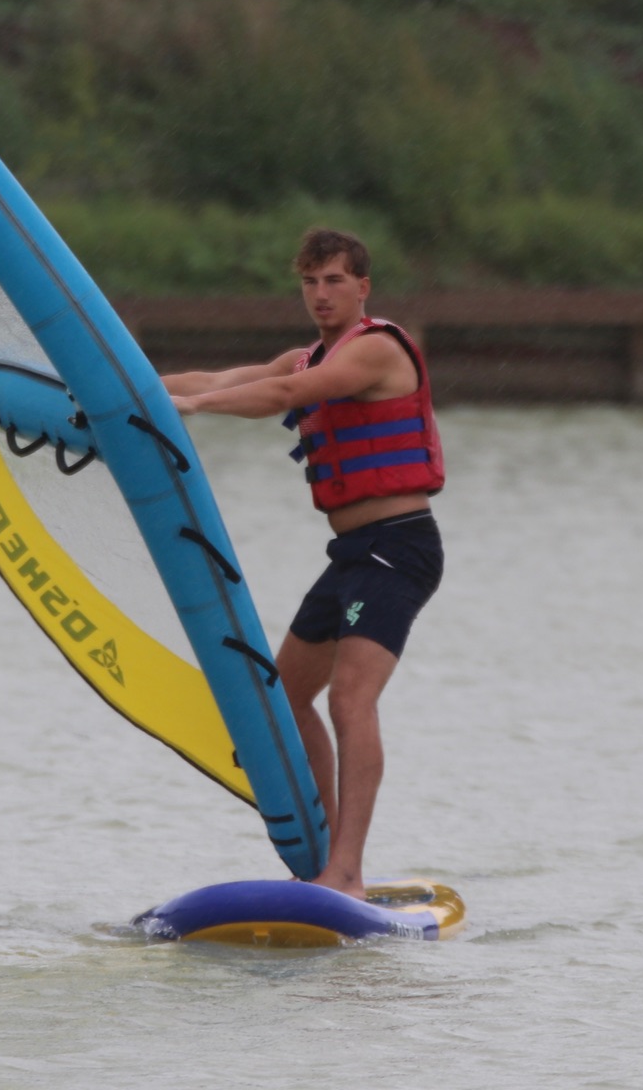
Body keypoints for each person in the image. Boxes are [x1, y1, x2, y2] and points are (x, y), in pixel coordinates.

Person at [164, 227, 444, 898]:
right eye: (309, 282)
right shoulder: (304, 354)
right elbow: (219, 377)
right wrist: (111, 383)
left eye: (334, 281)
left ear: (362, 287)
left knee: (351, 700)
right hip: (350, 554)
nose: (320, 295)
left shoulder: (375, 349)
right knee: (284, 699)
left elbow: (285, 398)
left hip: (398, 548)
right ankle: (324, 859)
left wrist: (196, 408)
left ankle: (344, 874)